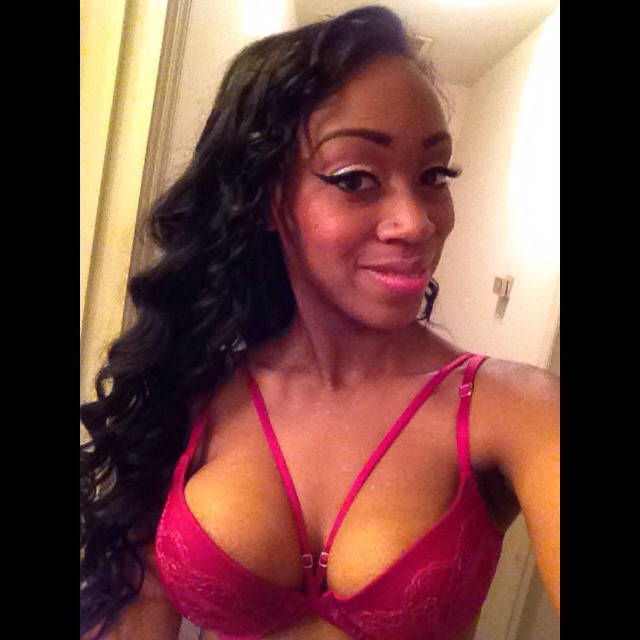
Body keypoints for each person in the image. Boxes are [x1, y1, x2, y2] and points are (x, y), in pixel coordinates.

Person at [80, 5, 559, 640]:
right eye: (355, 178)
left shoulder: (520, 410)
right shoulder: (193, 387)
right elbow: (135, 613)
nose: (417, 222)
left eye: (433, 175)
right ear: (265, 197)